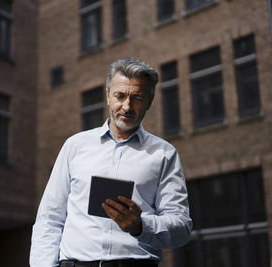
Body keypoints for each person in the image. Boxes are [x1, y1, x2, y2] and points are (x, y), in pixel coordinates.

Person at [30, 58, 192, 267]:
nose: (127, 106)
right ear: (107, 96)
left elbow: (182, 227)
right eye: (120, 96)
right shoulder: (75, 146)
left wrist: (141, 225)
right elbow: (50, 218)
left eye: (138, 97)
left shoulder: (164, 154)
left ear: (150, 101)